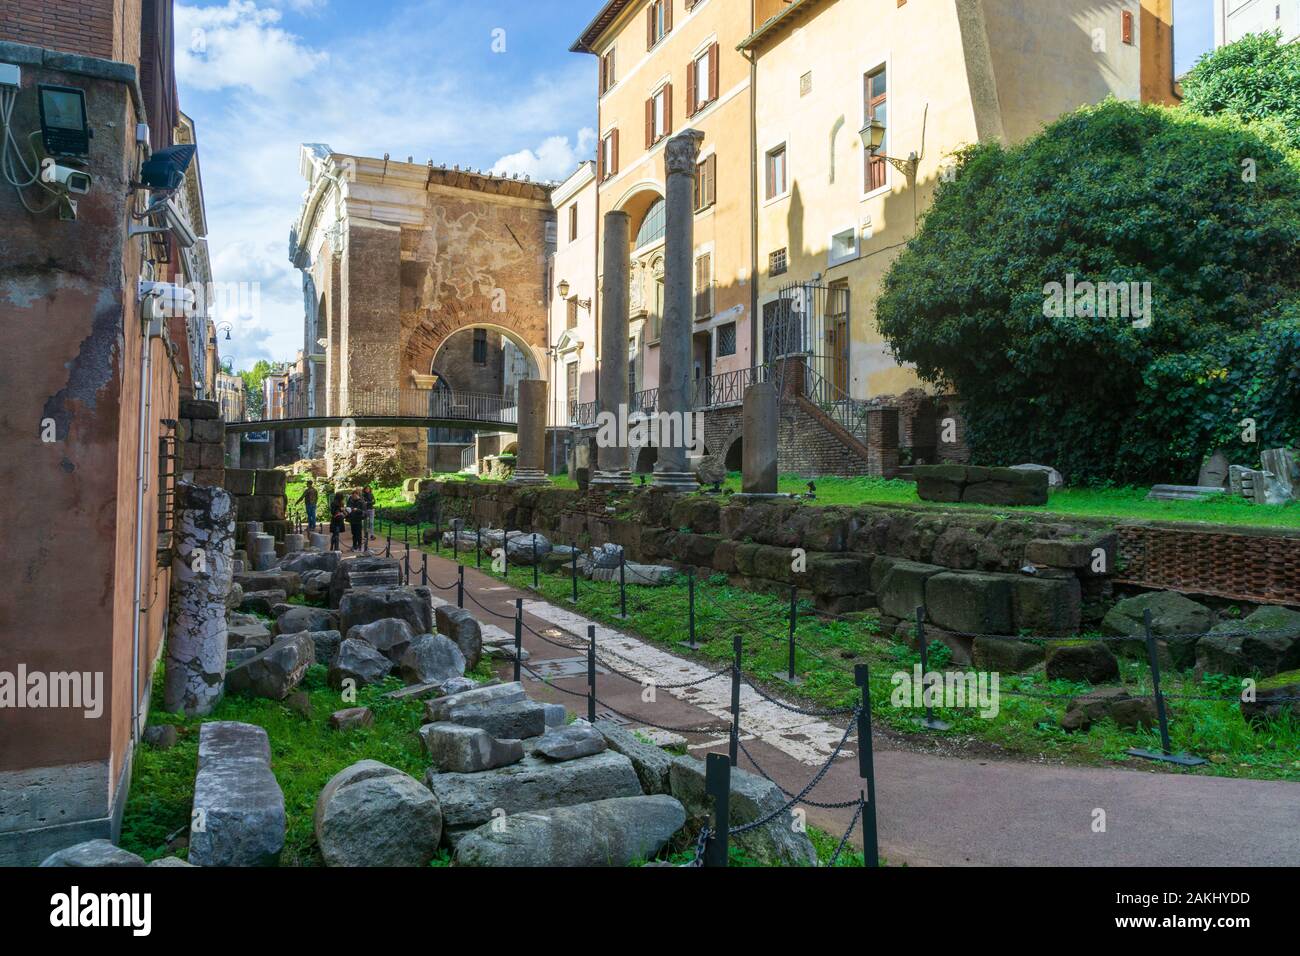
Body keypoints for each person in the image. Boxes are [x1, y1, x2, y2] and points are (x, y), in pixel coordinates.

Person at [346, 488, 366, 552]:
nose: (353, 496)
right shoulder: (350, 500)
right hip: (352, 519)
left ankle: (359, 546)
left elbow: (364, 511)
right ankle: (354, 546)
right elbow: (348, 507)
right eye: (352, 495)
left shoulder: (361, 501)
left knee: (359, 533)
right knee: (354, 533)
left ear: (358, 495)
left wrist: (357, 510)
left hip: (358, 519)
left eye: (355, 495)